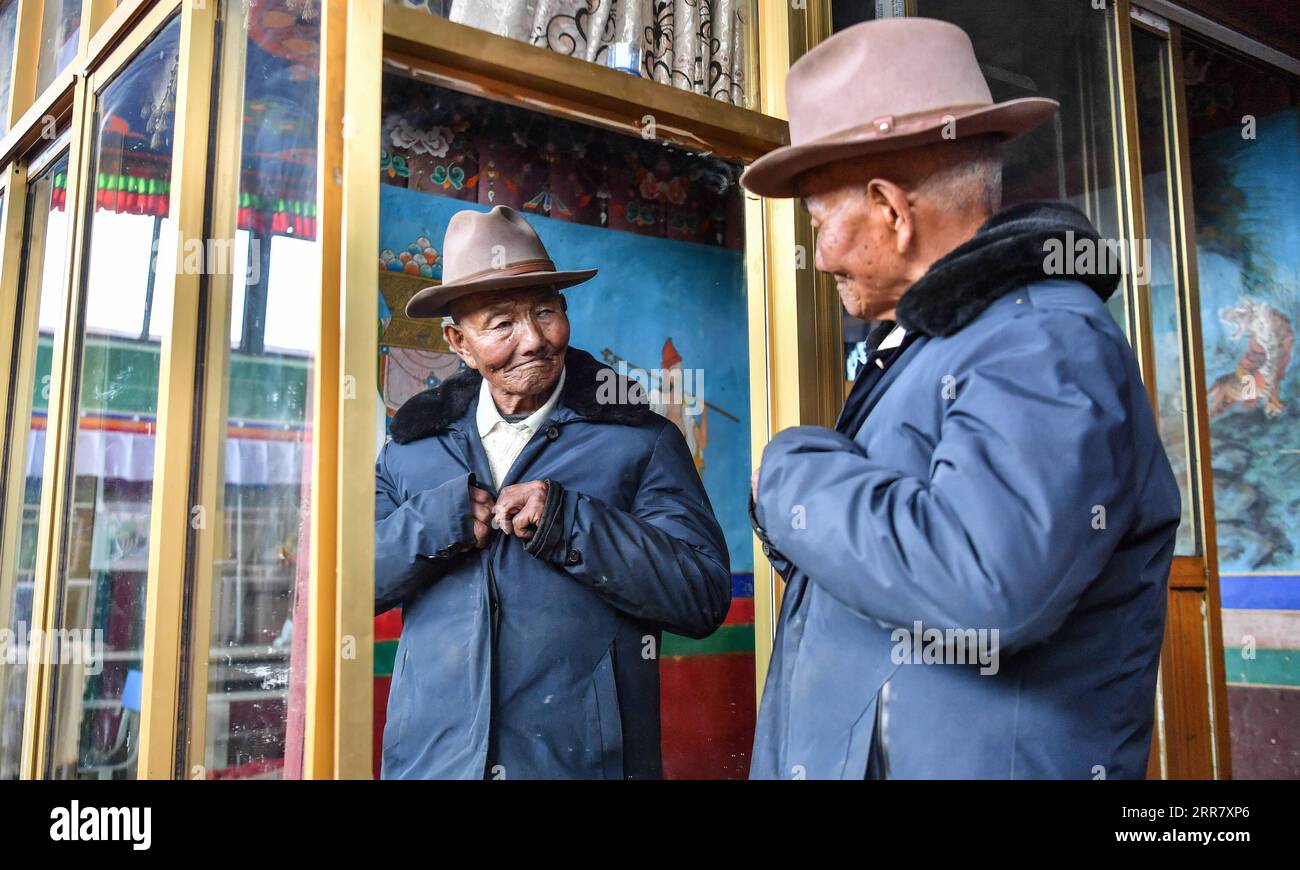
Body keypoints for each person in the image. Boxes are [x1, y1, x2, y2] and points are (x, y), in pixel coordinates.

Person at [742, 18, 1180, 779]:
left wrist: (789, 472)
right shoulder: (947, 343)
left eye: (819, 220)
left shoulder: (1041, 340)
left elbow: (987, 588)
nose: (819, 255)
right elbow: (893, 571)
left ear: (890, 208)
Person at [375, 205, 730, 779]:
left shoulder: (640, 439)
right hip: (433, 767)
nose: (535, 339)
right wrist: (437, 522)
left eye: (546, 312)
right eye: (501, 323)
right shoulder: (412, 449)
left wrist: (572, 524)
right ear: (458, 342)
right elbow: (347, 585)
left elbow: (703, 595)